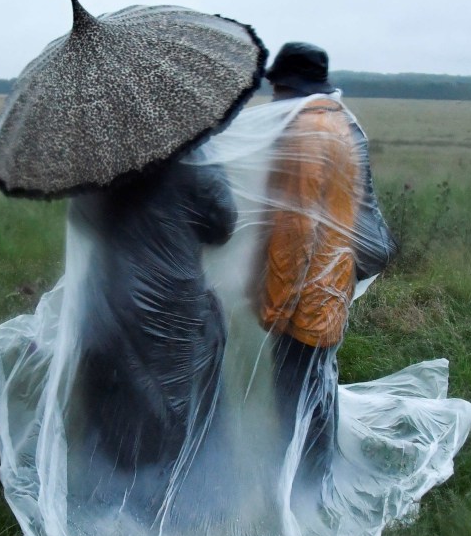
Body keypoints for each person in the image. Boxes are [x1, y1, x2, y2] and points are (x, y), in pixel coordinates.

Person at [258, 42, 395, 481]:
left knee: (296, 400)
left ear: (285, 86)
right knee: (318, 392)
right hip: (331, 284)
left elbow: (294, 235)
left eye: (276, 89)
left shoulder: (304, 136)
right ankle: (315, 477)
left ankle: (301, 491)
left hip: (304, 299)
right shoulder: (339, 125)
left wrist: (274, 308)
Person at [69, 158, 237, 473]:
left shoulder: (101, 151)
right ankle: (176, 490)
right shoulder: (194, 151)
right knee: (175, 396)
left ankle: (117, 484)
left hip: (109, 291)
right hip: (173, 299)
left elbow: (83, 219)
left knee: (121, 396)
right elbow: (222, 224)